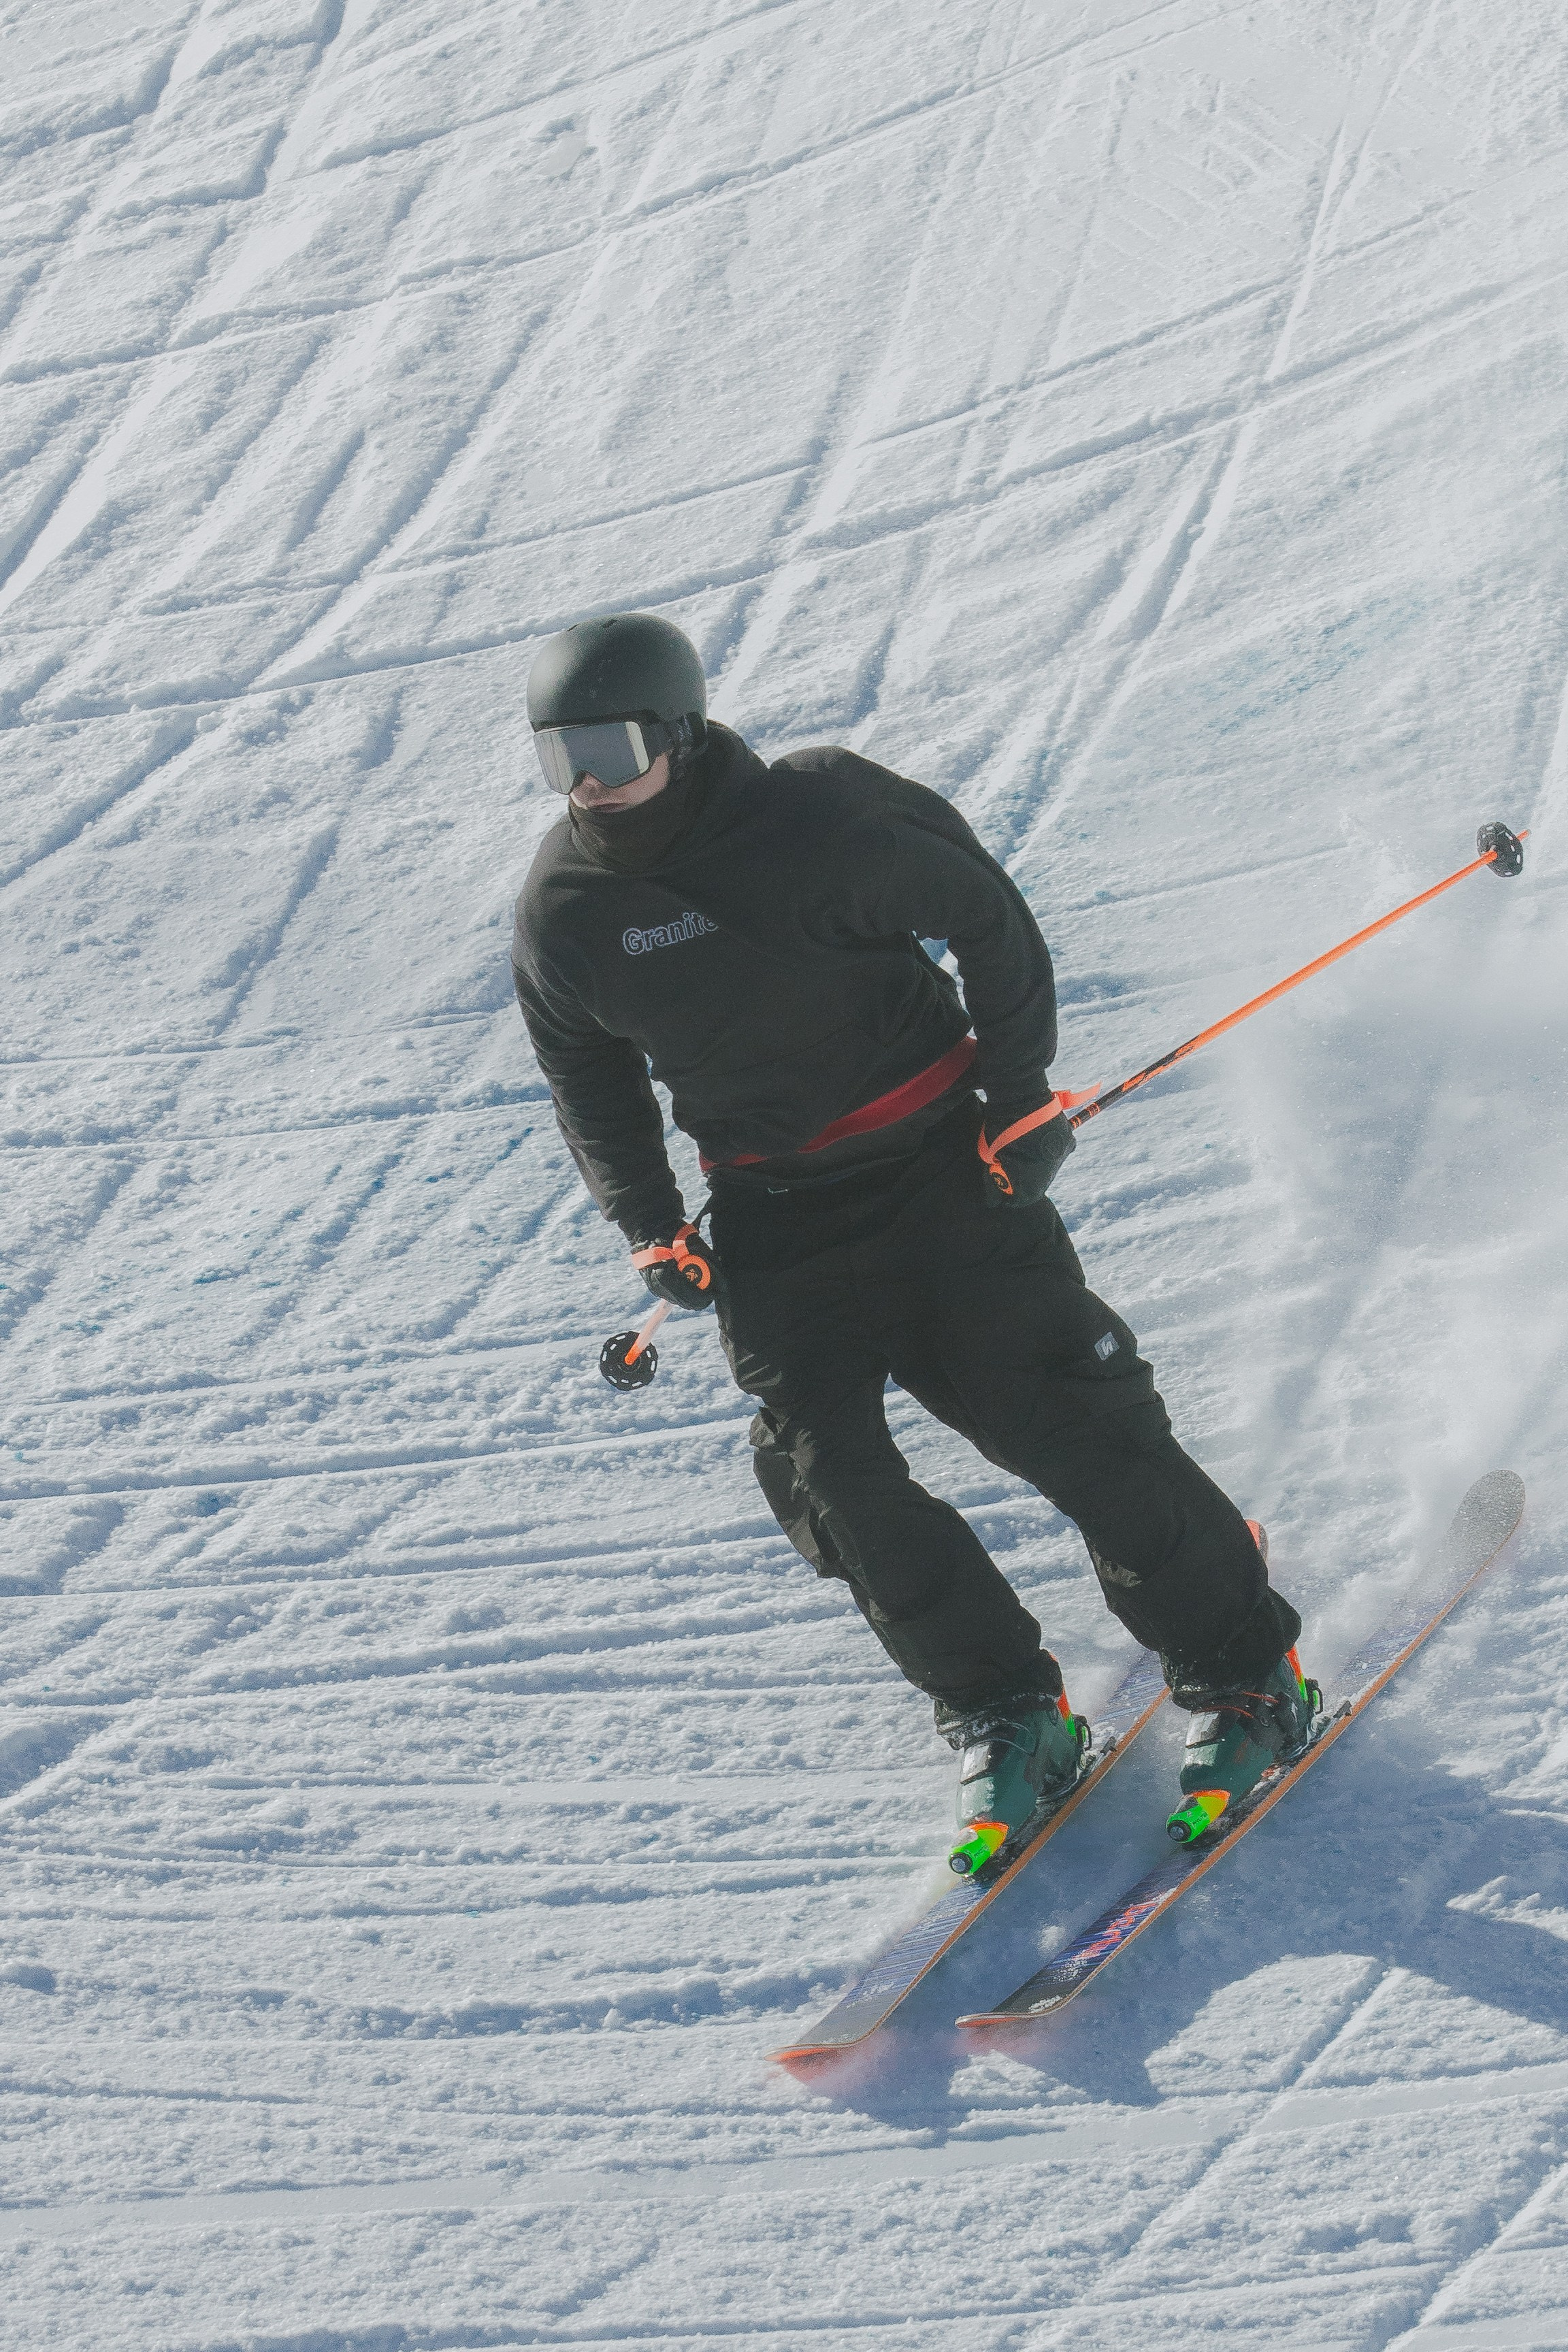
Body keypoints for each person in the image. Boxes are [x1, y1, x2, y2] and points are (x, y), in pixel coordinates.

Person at [511, 610, 1318, 1864]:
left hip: (945, 1174)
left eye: (609, 747)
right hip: (774, 1217)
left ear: (674, 726)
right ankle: (1005, 1707)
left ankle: (1244, 1670)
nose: (591, 784)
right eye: (560, 760)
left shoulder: (819, 819)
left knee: (1056, 1414)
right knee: (827, 1477)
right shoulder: (567, 909)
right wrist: (650, 1224)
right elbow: (585, 1073)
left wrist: (1023, 1097)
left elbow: (984, 918)